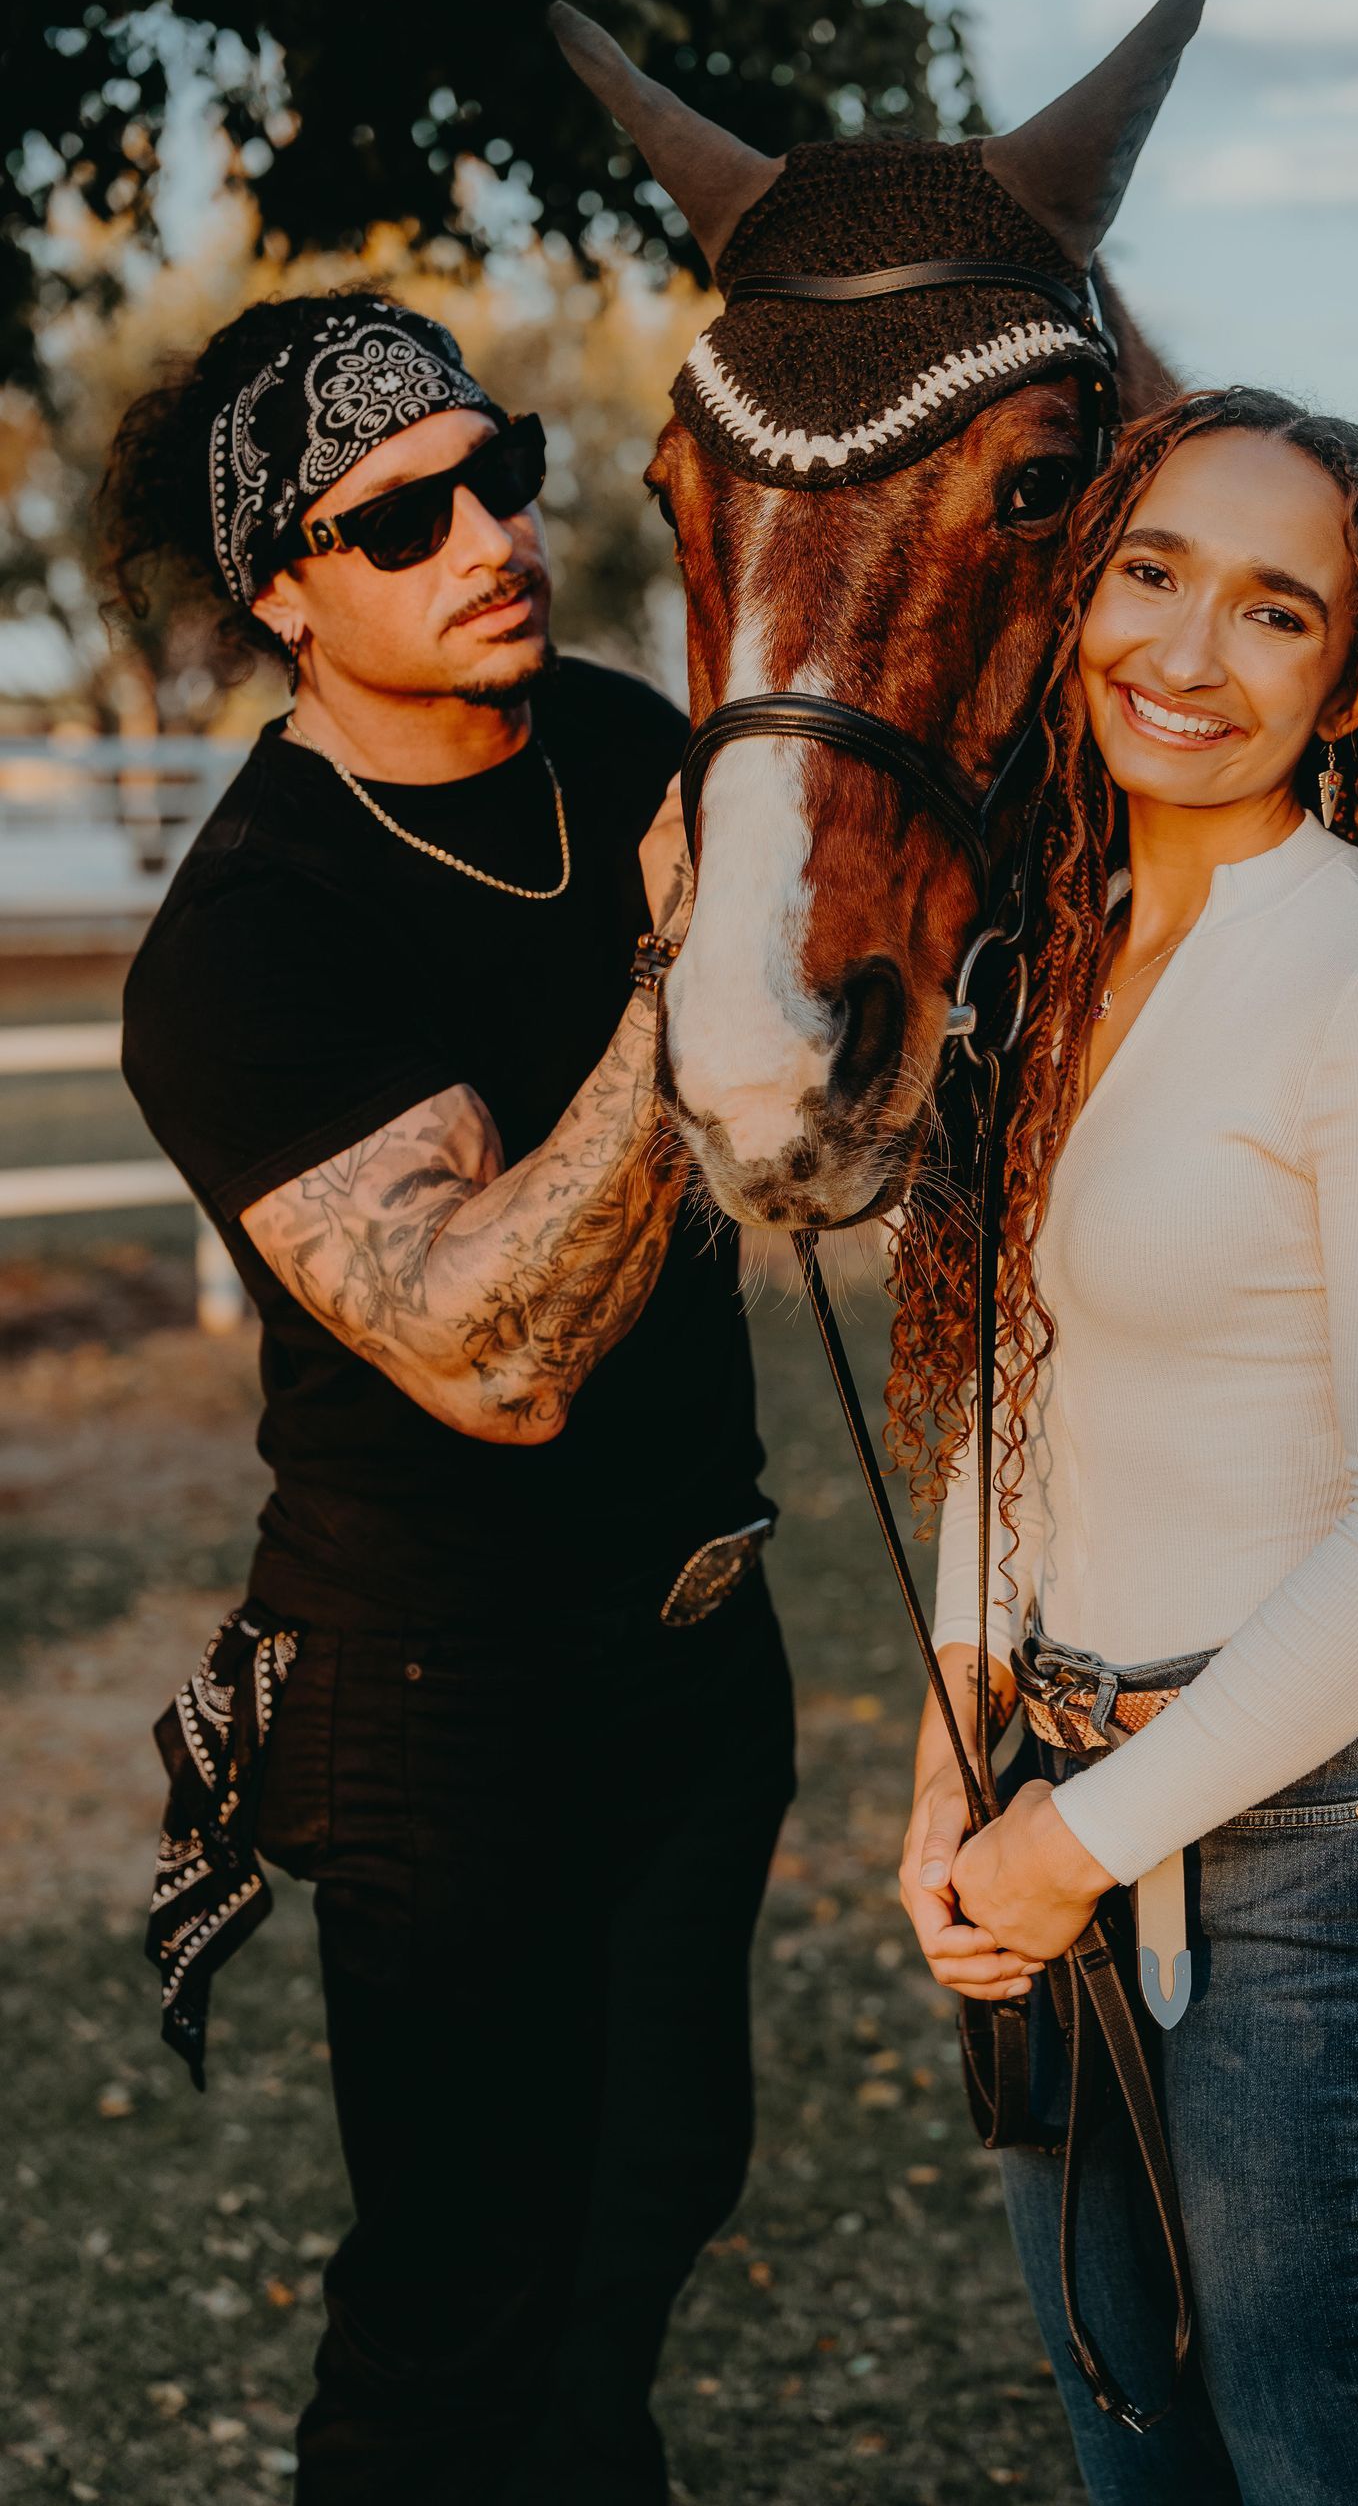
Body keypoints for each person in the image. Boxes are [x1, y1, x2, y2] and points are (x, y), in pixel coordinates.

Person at [890, 387, 1358, 2504]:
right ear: (1085, 591)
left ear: (1354, 682)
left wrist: (1066, 1842)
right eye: (1152, 575)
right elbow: (1026, 1384)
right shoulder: (1062, 952)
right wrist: (960, 1740)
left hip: (1346, 1865)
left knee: (1331, 2477)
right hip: (1068, 1800)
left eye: (1274, 613)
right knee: (1143, 2466)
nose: (1186, 658)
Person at [109, 292, 793, 2506]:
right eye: (398, 520)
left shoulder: (613, 740)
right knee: (456, 2296)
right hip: (441, 1689)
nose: (485, 534)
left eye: (500, 473)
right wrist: (677, 971)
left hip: (702, 1644)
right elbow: (494, 1354)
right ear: (282, 593)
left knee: (657, 2197)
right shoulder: (250, 938)